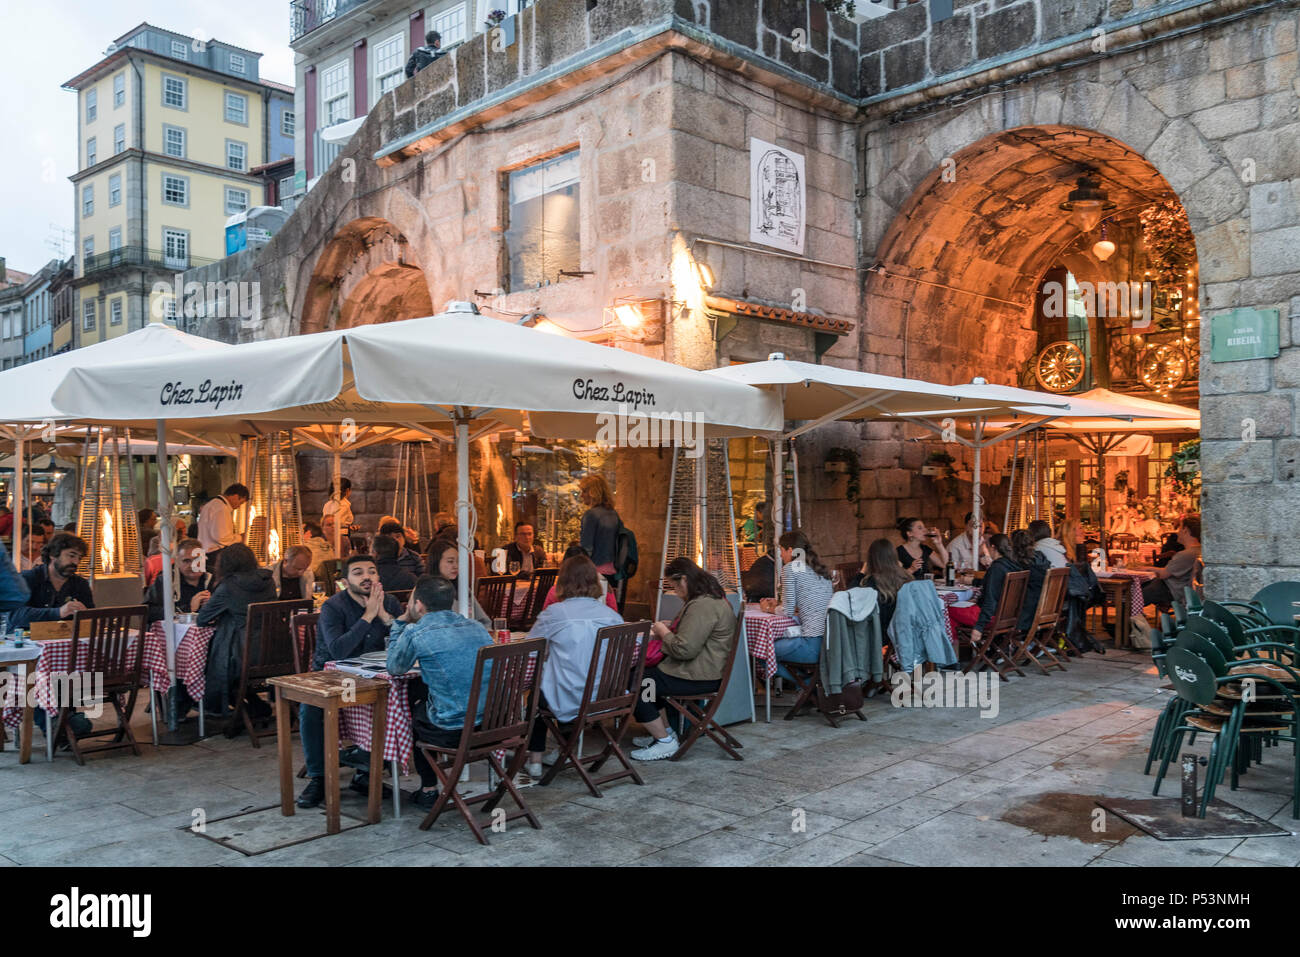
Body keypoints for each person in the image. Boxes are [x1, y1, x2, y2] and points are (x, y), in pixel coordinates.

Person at [297, 555, 403, 808]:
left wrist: (386, 616)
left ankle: (367, 772)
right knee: (310, 710)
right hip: (331, 675)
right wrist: (367, 616)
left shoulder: (389, 602)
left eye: (372, 571)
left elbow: (405, 642)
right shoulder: (333, 606)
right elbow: (337, 651)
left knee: (402, 699)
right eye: (358, 572)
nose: (367, 576)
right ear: (345, 581)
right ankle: (319, 778)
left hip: (375, 676)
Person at [385, 574, 491, 809]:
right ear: (451, 602)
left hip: (452, 729)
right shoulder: (476, 628)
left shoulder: (417, 632)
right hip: (491, 726)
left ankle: (429, 789)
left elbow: (394, 667)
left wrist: (400, 623)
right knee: (423, 696)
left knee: (414, 713)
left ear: (419, 605)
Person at [522, 555, 624, 779]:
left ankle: (535, 759)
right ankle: (563, 750)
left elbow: (531, 649)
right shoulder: (612, 616)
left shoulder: (555, 614)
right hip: (607, 697)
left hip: (572, 697)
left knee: (537, 695)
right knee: (558, 685)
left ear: (562, 581)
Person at [630, 557, 735, 761]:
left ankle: (664, 740)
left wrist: (662, 631)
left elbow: (684, 649)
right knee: (646, 677)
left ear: (684, 580)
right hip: (702, 670)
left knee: (639, 683)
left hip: (698, 675)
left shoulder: (702, 605)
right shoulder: (711, 599)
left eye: (675, 587)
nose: (676, 592)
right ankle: (664, 733)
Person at [14, 533, 94, 740]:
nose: (75, 562)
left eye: (78, 558)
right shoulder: (28, 579)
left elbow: (91, 618)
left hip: (65, 652)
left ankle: (65, 720)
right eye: (71, 556)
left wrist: (85, 614)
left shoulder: (79, 584)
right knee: (39, 673)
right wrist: (57, 613)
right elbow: (16, 614)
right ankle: (61, 726)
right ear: (52, 556)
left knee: (79, 664)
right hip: (28, 651)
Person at [195, 543, 279, 724]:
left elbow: (202, 619)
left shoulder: (228, 587)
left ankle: (226, 707)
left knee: (210, 659)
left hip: (242, 657)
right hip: (274, 654)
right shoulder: (268, 581)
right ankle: (254, 707)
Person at [774, 531, 834, 682]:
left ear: (789, 550)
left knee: (759, 651)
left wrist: (768, 609)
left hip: (812, 645)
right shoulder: (818, 568)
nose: (780, 555)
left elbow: (787, 611)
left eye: (781, 550)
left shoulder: (790, 569)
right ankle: (807, 685)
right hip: (829, 644)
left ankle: (806, 684)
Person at [970, 530, 1045, 644]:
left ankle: (954, 654)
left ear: (993, 547)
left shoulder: (997, 568)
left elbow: (990, 599)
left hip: (996, 617)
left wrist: (979, 627)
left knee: (950, 611)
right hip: (1012, 616)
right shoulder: (1015, 566)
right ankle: (993, 648)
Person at [1136, 515, 1202, 611]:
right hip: (1183, 590)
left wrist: (1146, 568)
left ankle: (1125, 620)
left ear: (1185, 530)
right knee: (1144, 587)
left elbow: (1163, 574)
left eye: (1179, 528)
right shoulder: (1199, 551)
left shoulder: (1185, 554)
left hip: (1172, 591)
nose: (1177, 532)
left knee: (1135, 596)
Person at [849, 538, 912, 634]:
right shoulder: (907, 577)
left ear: (871, 559)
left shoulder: (871, 582)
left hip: (881, 637)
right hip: (906, 634)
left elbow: (851, 596)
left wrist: (862, 572)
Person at [426, 538, 492, 627]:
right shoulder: (426, 591)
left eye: (458, 561)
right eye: (450, 561)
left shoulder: (462, 588)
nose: (455, 566)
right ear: (436, 562)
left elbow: (484, 621)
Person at [144, 538, 212, 624]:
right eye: (187, 561)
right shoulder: (166, 580)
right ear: (177, 562)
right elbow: (148, 611)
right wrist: (187, 609)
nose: (194, 565)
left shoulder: (213, 578)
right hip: (174, 635)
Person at [541, 544, 620, 612]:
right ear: (590, 567)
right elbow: (613, 620)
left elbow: (546, 622)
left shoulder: (556, 592)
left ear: (564, 569)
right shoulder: (605, 588)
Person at [578, 474, 620, 582]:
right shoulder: (613, 513)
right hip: (612, 571)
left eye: (584, 491)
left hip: (594, 572)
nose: (581, 495)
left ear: (593, 493)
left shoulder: (591, 515)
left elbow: (586, 549)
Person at [197, 483, 249, 570]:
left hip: (205, 552)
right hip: (213, 554)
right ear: (235, 496)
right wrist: (240, 537)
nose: (239, 506)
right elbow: (221, 537)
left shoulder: (212, 504)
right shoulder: (221, 508)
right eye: (241, 502)